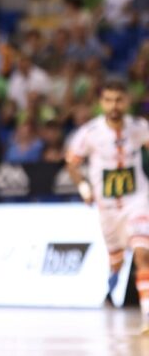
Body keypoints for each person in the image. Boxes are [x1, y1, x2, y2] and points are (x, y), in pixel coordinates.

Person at [66, 80, 149, 334]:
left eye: (119, 100)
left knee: (142, 253)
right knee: (116, 260)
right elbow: (72, 162)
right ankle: (110, 287)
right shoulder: (90, 133)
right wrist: (84, 187)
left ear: (127, 102)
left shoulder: (139, 127)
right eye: (109, 100)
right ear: (102, 103)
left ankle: (147, 315)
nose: (114, 106)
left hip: (137, 201)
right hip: (108, 208)